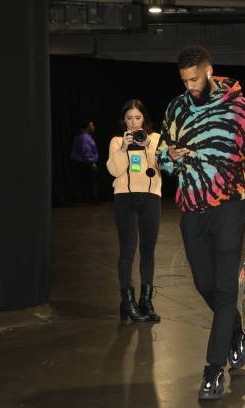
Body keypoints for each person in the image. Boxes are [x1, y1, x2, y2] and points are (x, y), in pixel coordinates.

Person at [156, 45, 245, 400]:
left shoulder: (239, 109)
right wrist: (170, 156)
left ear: (209, 71)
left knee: (224, 291)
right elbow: (162, 155)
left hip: (229, 209)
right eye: (184, 81)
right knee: (204, 284)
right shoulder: (176, 108)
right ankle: (237, 332)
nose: (190, 86)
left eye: (194, 79)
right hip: (191, 211)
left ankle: (212, 371)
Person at [106, 100, 162, 323]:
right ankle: (127, 303)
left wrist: (147, 144)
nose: (133, 122)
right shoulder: (117, 141)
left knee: (148, 252)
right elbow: (114, 170)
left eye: (137, 118)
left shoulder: (156, 138)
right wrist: (123, 149)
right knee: (128, 250)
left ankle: (145, 301)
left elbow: (159, 165)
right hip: (125, 200)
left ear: (144, 119)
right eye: (129, 118)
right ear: (124, 121)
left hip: (151, 199)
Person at [70, 120, 100, 204]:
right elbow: (86, 151)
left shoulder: (82, 136)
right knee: (90, 182)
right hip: (84, 163)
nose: (93, 127)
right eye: (92, 126)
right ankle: (92, 200)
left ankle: (83, 200)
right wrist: (92, 162)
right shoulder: (84, 137)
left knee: (82, 182)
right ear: (87, 127)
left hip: (80, 163)